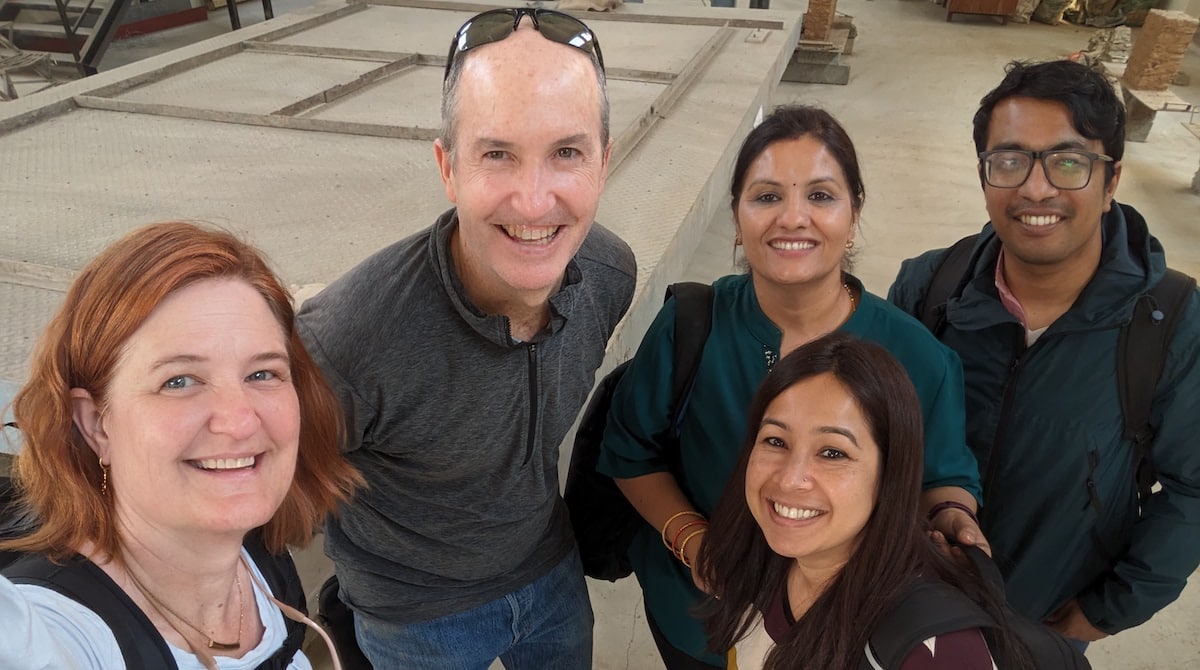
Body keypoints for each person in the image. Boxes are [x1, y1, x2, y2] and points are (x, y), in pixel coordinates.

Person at [295, 7, 635, 669]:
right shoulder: (346, 342)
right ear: (448, 168)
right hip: (415, 618)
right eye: (498, 154)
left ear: (603, 162)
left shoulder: (608, 274)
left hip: (550, 572)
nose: (535, 203)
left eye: (567, 152)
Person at [598, 105, 983, 668]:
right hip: (696, 614)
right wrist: (693, 541)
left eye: (821, 196)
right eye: (767, 196)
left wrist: (951, 513)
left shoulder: (918, 357)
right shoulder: (691, 326)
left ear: (854, 216)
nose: (792, 218)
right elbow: (629, 453)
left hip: (835, 634)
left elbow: (944, 474)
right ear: (737, 217)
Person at [888, 59, 1200, 648]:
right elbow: (869, 429)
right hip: (909, 601)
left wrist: (1105, 610)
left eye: (1068, 161)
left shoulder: (1170, 323)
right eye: (1009, 161)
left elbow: (1193, 490)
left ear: (1110, 182)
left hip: (1043, 623)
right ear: (985, 176)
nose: (1036, 188)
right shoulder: (929, 289)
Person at [0, 222, 363, 669]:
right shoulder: (56, 635)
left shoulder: (261, 559)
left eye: (262, 374)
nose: (238, 420)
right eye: (179, 381)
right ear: (96, 424)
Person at [697, 332, 1032, 670]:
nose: (788, 479)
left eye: (832, 452)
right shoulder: (762, 556)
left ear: (890, 474)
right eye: (775, 441)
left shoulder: (934, 652)